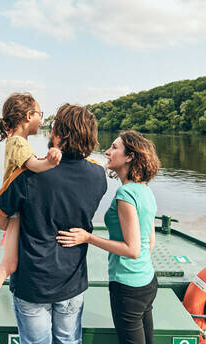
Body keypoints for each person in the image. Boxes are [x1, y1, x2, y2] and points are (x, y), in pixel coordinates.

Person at [0, 104, 107, 344]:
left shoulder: (29, 175)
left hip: (33, 282)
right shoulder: (98, 175)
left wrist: (21, 223)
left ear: (59, 136)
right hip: (72, 280)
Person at [0, 92, 62, 344]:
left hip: (15, 210)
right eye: (40, 114)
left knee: (10, 263)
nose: (41, 119)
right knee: (8, 265)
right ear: (27, 116)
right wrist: (52, 160)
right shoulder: (19, 143)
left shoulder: (15, 140)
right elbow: (34, 166)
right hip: (16, 209)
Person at [56, 130, 160, 344]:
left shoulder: (126, 194)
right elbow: (149, 243)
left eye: (114, 147)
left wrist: (87, 238)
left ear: (130, 156)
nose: (107, 151)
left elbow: (132, 250)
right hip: (148, 282)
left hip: (128, 287)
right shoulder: (145, 190)